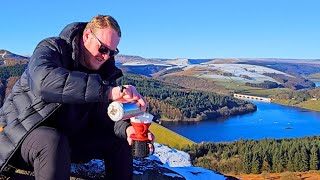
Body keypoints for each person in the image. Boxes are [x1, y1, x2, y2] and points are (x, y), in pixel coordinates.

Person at [0, 15, 154, 180]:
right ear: (87, 35)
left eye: (112, 51)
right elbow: (43, 83)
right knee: (53, 141)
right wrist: (108, 91)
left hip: (68, 142)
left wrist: (127, 129)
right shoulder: (52, 48)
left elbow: (106, 115)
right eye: (103, 48)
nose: (106, 56)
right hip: (21, 136)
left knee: (119, 142)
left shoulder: (104, 70)